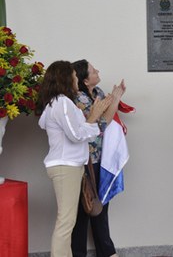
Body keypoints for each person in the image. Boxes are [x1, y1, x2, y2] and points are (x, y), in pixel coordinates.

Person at [37, 61, 112, 257]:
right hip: (66, 167)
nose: (76, 79)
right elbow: (76, 135)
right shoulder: (62, 102)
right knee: (66, 221)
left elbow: (43, 123)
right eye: (74, 76)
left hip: (67, 166)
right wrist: (93, 117)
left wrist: (88, 120)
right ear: (65, 78)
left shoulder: (55, 102)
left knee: (67, 220)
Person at [71, 59, 125, 257]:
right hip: (83, 160)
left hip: (101, 158)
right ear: (85, 80)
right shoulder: (79, 99)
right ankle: (78, 253)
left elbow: (106, 119)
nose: (98, 71)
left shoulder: (99, 93)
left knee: (99, 205)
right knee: (82, 209)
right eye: (93, 71)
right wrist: (114, 101)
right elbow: (100, 125)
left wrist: (114, 100)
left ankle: (106, 251)